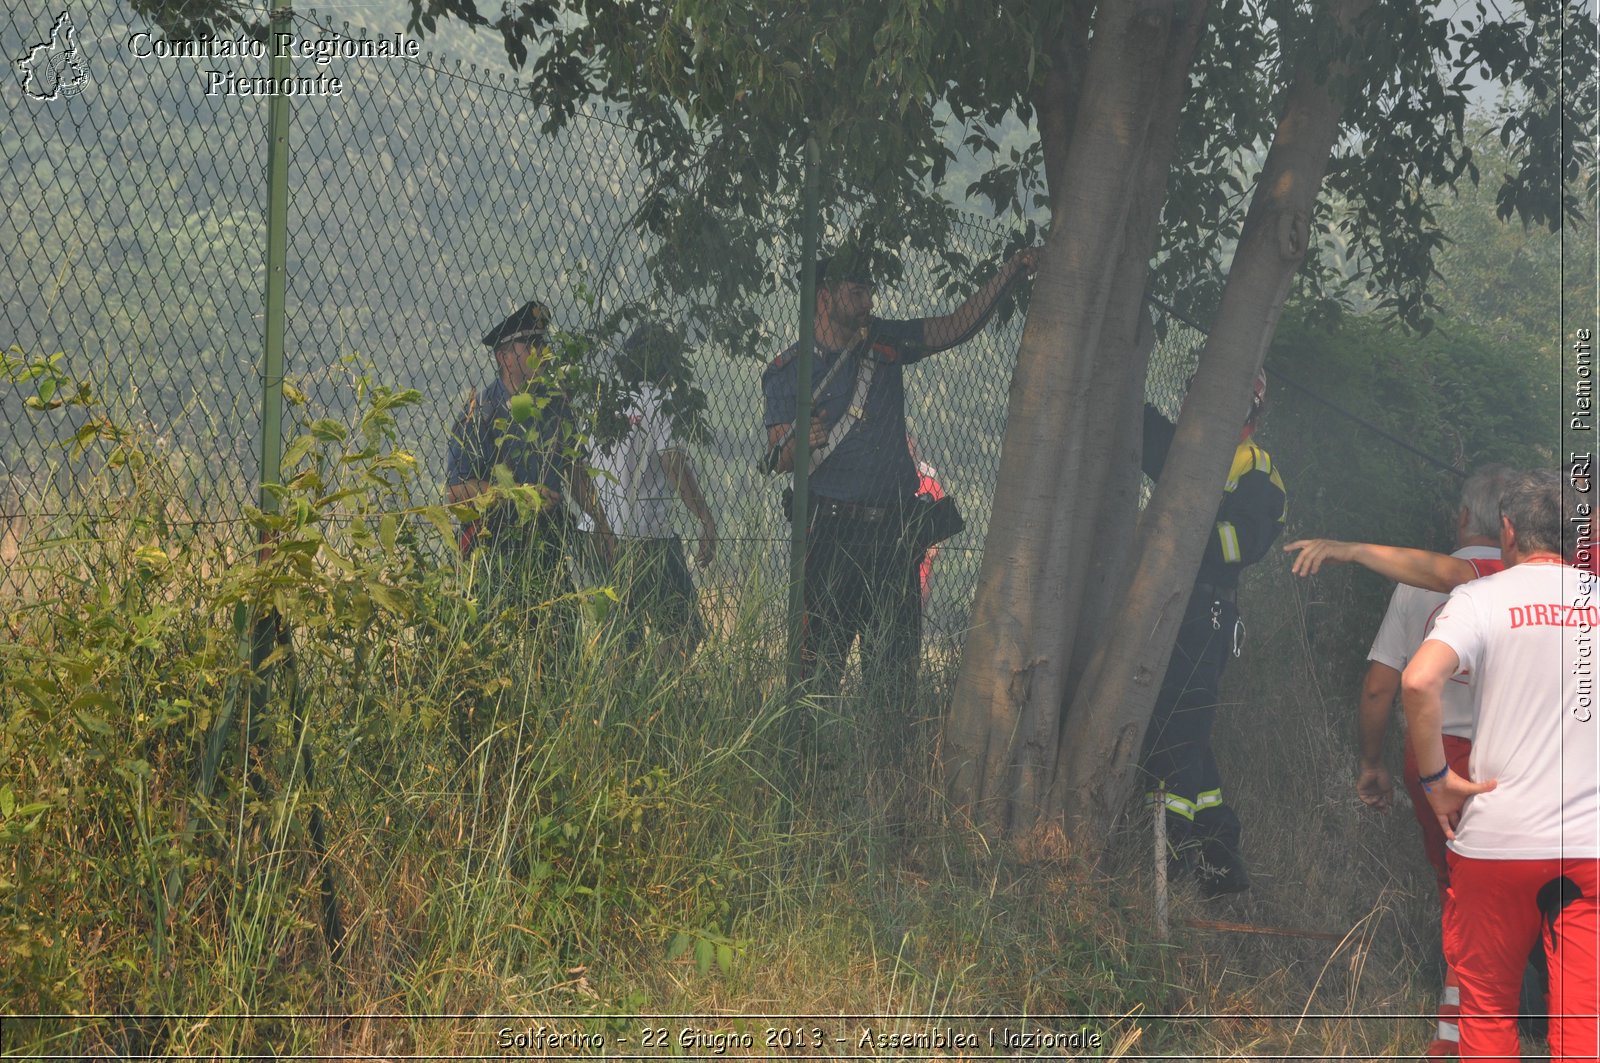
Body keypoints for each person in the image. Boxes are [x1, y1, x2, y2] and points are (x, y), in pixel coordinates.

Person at [761, 247, 1037, 700]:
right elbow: (777, 457)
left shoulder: (885, 343)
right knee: (816, 678)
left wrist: (1009, 272)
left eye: (870, 291)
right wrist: (796, 443)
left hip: (894, 534)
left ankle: (886, 762)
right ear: (825, 297)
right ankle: (810, 765)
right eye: (857, 291)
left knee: (893, 682)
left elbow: (954, 327)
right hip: (829, 535)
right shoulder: (789, 370)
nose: (869, 302)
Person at [1399, 470, 1598, 1061]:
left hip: (1496, 838)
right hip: (1590, 842)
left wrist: (1437, 781)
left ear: (1507, 532)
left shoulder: (1481, 598)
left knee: (1487, 1007)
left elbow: (1417, 679)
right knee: (1584, 1015)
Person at [1342, 465, 1514, 1057]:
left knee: (1461, 895)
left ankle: (1458, 1034)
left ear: (1462, 516)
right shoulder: (1539, 586)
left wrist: (1372, 762)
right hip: (1516, 756)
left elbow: (1380, 688)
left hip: (1434, 758)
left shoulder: (1415, 585)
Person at [1139, 368, 1287, 899]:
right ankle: (1221, 857)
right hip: (1161, 608)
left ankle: (1175, 858)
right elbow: (1141, 432)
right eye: (1191, 395)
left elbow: (1239, 545)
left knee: (1181, 726)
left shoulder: (1258, 471)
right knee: (1181, 730)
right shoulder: (1185, 448)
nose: (1192, 406)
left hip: (1208, 615)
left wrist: (1172, 532)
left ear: (1247, 412)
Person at [446, 299, 615, 624]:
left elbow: (575, 472)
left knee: (562, 651)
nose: (542, 351)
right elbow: (455, 493)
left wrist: (603, 526)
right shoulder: (480, 412)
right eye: (532, 344)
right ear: (504, 356)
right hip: (496, 552)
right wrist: (519, 494)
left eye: (544, 343)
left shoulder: (554, 406)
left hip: (549, 551)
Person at [587, 322, 717, 656]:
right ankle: (654, 695)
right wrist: (704, 516)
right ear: (668, 364)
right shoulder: (662, 403)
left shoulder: (602, 401)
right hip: (647, 538)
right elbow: (673, 462)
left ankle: (622, 697)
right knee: (686, 629)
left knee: (621, 639)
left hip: (598, 532)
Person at [907, 433, 945, 608]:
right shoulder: (883, 481)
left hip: (917, 568)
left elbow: (939, 536)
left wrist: (934, 543)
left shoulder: (930, 486)